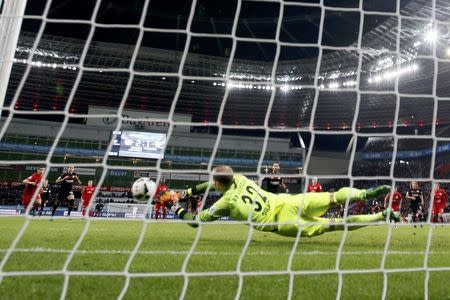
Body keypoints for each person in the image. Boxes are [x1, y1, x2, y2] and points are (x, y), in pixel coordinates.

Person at [170, 165, 399, 238]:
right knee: (334, 197)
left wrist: (177, 207)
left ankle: (380, 216)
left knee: (337, 224)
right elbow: (215, 181)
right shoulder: (239, 178)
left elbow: (196, 221)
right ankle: (363, 194)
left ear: (218, 184)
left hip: (281, 223)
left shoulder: (224, 204)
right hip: (289, 201)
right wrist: (188, 192)